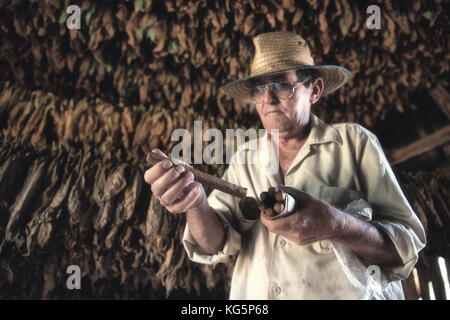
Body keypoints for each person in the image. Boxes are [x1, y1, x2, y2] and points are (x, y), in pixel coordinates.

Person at [144, 31, 426, 299]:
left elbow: (405, 248)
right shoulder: (246, 157)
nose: (267, 99)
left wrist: (337, 225)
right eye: (259, 88)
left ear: (314, 90)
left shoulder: (355, 143)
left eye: (281, 85)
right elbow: (214, 243)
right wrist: (195, 203)